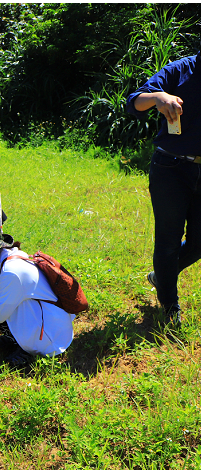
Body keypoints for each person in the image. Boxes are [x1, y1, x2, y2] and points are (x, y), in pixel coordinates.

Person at [126, 51, 200, 328]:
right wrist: (159, 97)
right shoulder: (182, 69)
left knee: (198, 243)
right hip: (172, 168)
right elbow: (134, 102)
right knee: (168, 241)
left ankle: (161, 276)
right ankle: (170, 304)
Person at [0, 217, 75, 366]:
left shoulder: (11, 271)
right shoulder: (3, 260)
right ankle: (16, 338)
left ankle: (27, 349)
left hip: (50, 340)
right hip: (47, 324)